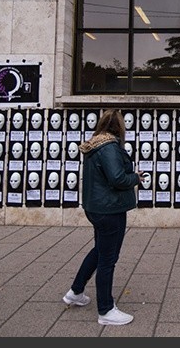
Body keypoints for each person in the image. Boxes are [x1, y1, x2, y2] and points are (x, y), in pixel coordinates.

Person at [63, 109, 142, 326]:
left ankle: (75, 292)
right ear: (119, 127)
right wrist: (135, 178)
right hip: (110, 210)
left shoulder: (95, 145)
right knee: (108, 259)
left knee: (99, 250)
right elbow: (117, 178)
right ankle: (105, 310)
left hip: (97, 207)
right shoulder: (109, 147)